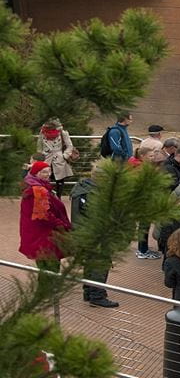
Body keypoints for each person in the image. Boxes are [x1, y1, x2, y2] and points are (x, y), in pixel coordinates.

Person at [71, 165, 119, 308]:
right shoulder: (93, 193)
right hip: (96, 235)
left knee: (90, 263)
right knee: (100, 263)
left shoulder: (82, 189)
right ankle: (97, 295)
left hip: (84, 233)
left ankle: (88, 291)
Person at [19, 161, 71, 285]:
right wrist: (62, 225)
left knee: (45, 267)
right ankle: (47, 296)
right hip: (44, 236)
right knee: (50, 268)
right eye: (44, 172)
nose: (48, 174)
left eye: (49, 171)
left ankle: (46, 294)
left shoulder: (34, 186)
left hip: (36, 234)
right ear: (36, 173)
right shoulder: (38, 189)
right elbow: (44, 215)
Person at [37, 118, 76, 197]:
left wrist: (65, 155)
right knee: (44, 178)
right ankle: (46, 196)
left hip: (59, 159)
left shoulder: (62, 133)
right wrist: (40, 157)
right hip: (46, 158)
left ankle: (58, 197)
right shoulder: (42, 132)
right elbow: (39, 145)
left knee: (60, 179)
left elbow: (69, 146)